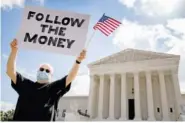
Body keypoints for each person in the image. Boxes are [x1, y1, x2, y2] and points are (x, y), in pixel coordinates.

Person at [6, 39, 86, 121]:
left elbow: (70, 77)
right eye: (41, 69)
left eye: (47, 71)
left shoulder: (54, 88)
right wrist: (14, 51)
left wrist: (78, 61)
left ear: (51, 76)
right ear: (37, 71)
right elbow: (10, 71)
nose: (44, 71)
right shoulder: (25, 84)